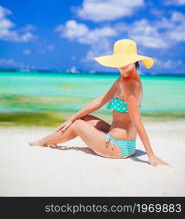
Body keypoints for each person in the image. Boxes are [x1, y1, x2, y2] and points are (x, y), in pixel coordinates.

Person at [29, 39, 168, 166]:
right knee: (80, 118)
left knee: (77, 125)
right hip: (118, 139)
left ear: (134, 61)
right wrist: (71, 118)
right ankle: (49, 139)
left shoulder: (130, 85)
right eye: (119, 62)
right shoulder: (122, 80)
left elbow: (137, 121)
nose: (122, 66)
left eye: (125, 61)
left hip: (118, 147)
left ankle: (42, 142)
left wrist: (151, 155)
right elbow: (101, 100)